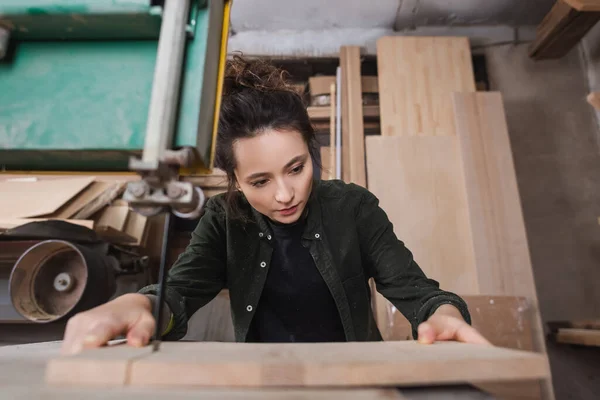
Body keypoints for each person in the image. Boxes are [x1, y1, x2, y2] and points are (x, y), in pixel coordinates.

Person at [61, 55, 489, 355]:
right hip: (265, 376)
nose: (284, 195)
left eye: (296, 168)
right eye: (260, 181)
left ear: (312, 150)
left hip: (355, 374)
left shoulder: (353, 207)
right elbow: (180, 293)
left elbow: (417, 292)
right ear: (234, 180)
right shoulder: (222, 218)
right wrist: (138, 305)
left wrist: (445, 315)